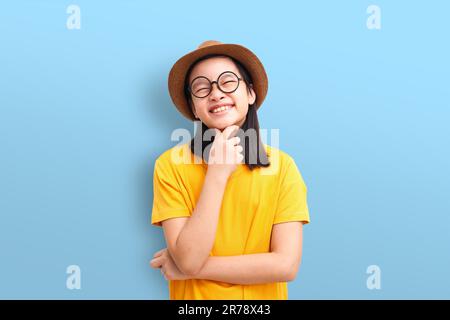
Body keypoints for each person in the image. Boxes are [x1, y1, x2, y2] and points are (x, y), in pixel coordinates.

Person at [149, 40, 310, 300]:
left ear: (250, 93)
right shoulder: (170, 166)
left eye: (227, 82)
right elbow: (188, 259)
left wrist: (189, 270)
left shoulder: (283, 167)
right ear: (193, 107)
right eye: (202, 87)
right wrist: (217, 172)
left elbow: (285, 265)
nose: (216, 94)